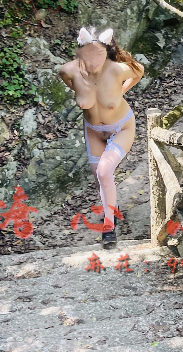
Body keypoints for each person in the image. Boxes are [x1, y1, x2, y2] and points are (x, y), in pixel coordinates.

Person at [58, 26, 144, 248]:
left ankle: (109, 226)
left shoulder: (116, 70)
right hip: (93, 131)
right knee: (99, 176)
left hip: (122, 128)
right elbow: (70, 82)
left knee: (105, 171)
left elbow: (139, 70)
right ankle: (111, 207)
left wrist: (121, 91)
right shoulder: (69, 71)